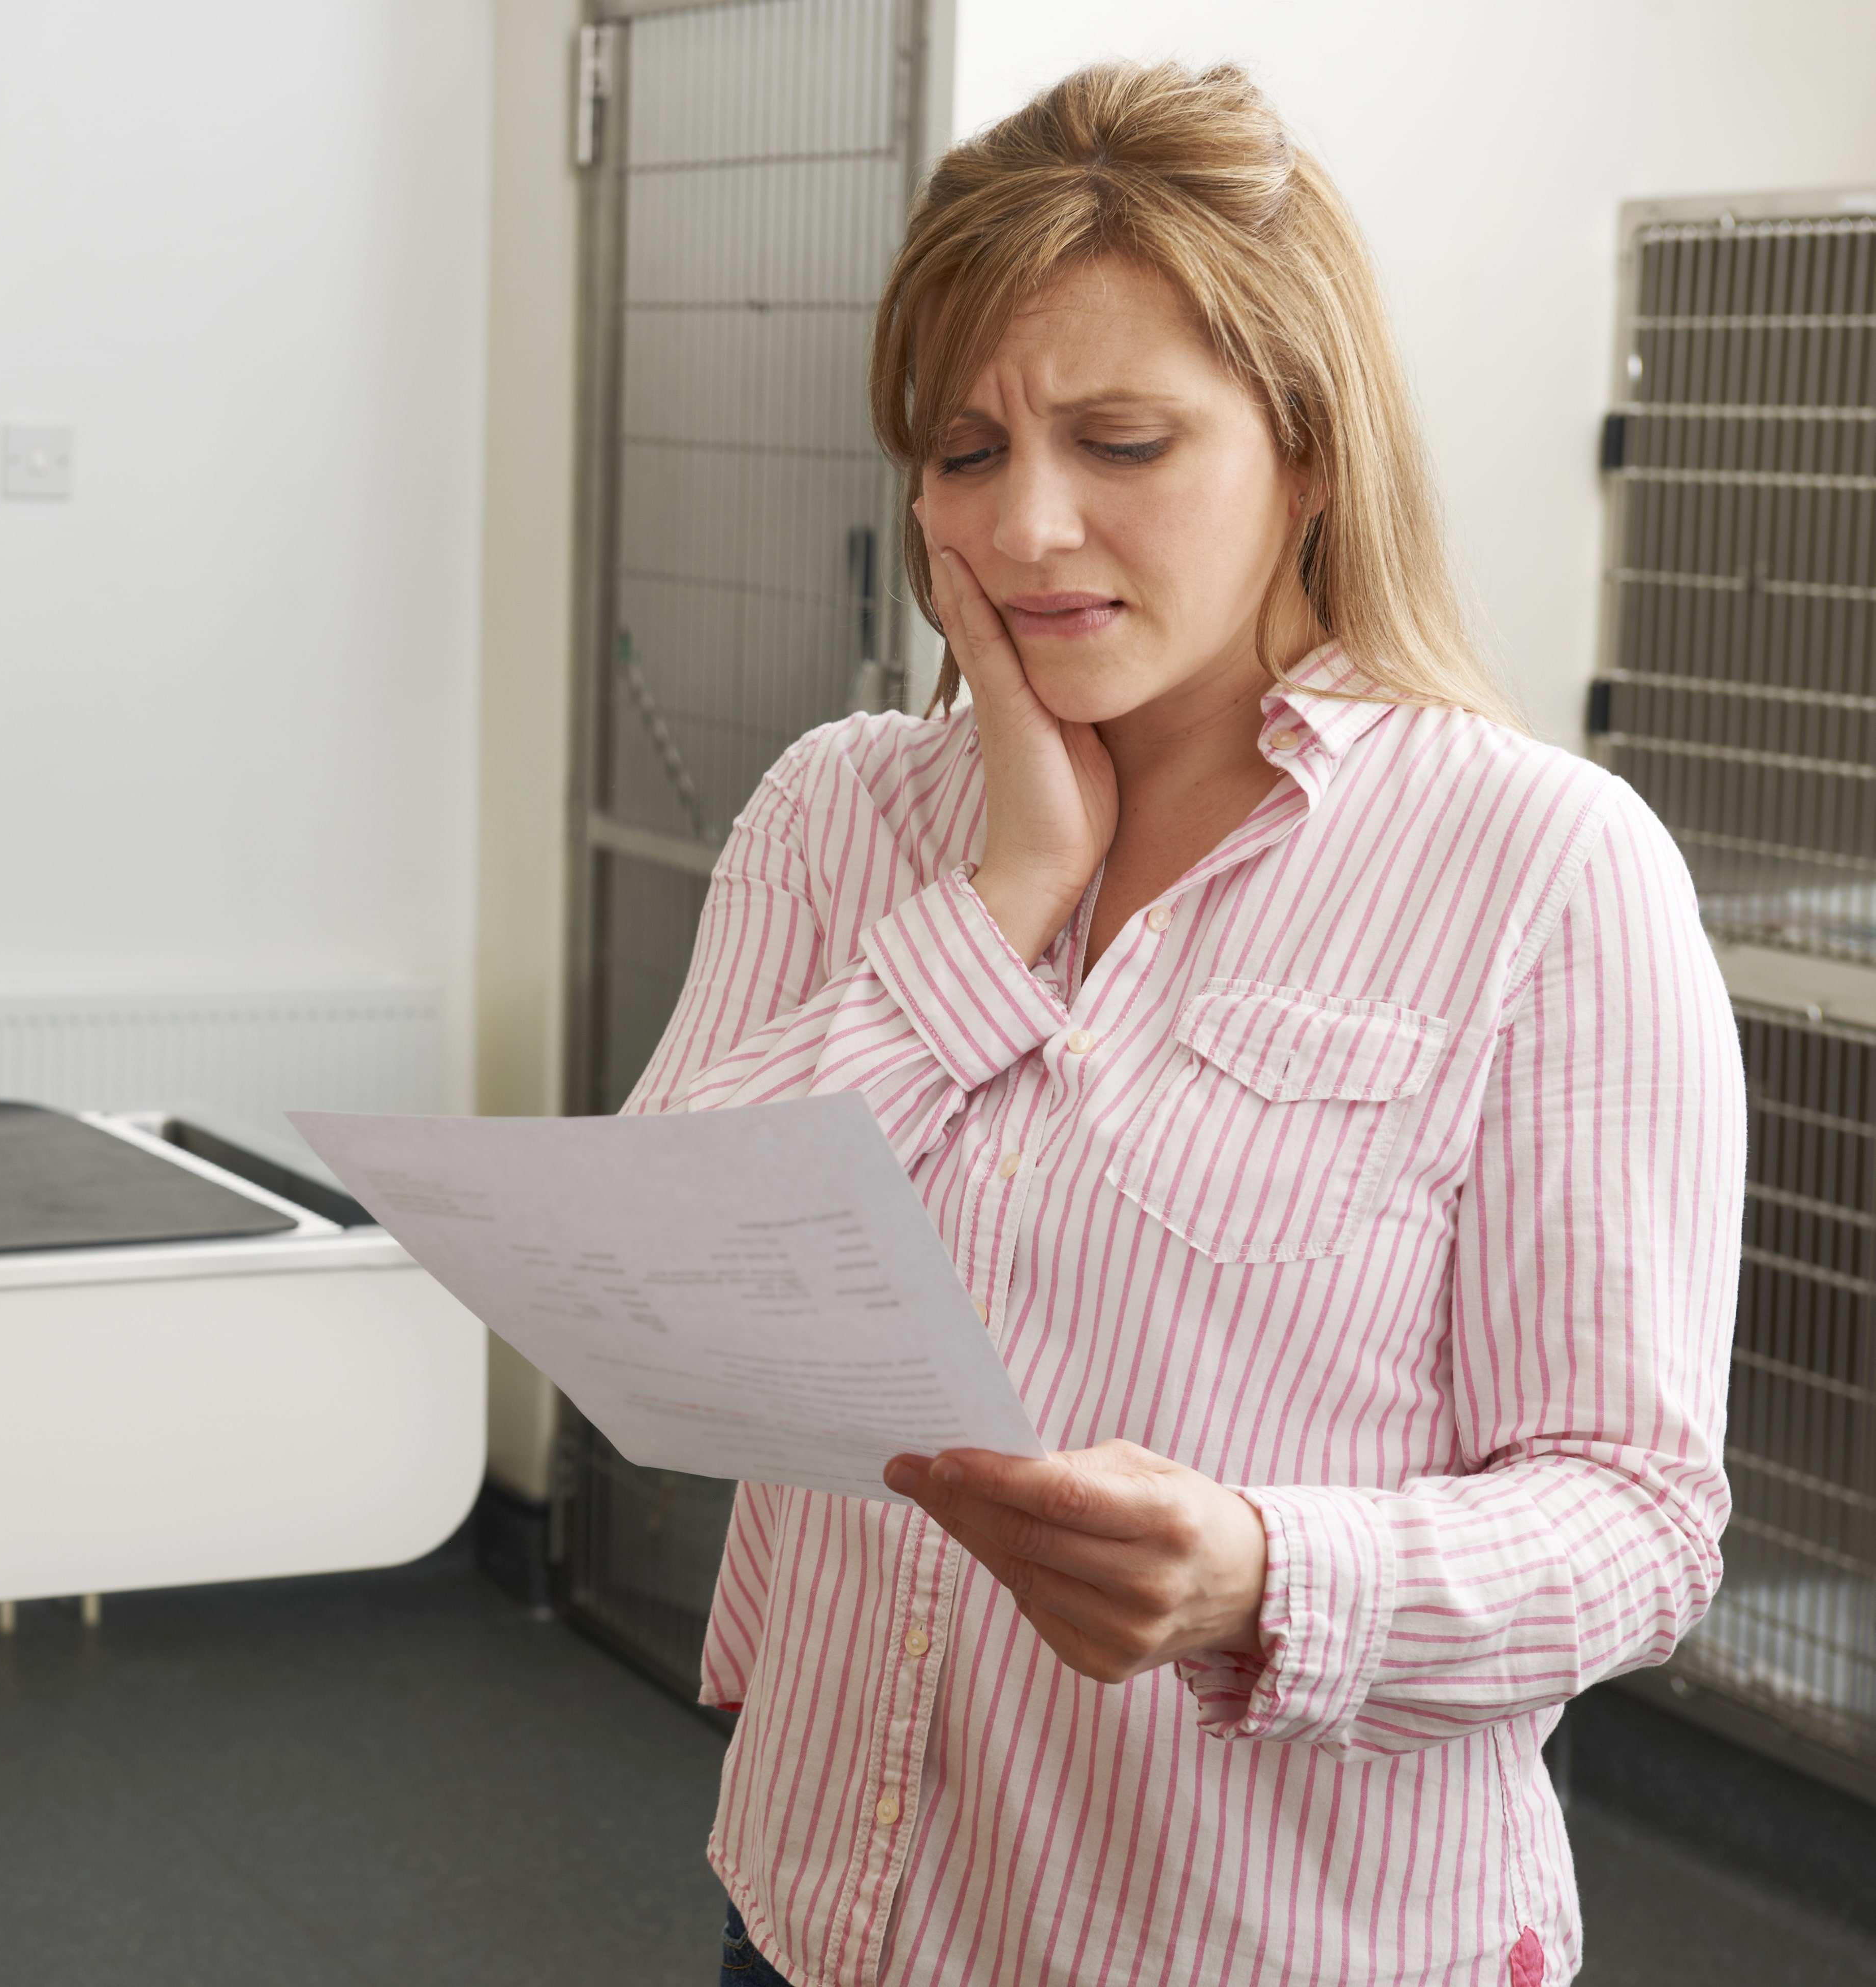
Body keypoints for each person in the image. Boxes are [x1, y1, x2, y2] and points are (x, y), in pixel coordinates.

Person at [639, 64, 1742, 1987]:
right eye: (965, 451)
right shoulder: (842, 812)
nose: (1028, 525)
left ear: (1305, 451)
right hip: (825, 1913)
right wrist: (997, 897)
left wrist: (1259, 1573)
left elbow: (1633, 1518)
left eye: (1121, 441)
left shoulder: (1540, 866)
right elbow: (659, 1291)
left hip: (1266, 1941)